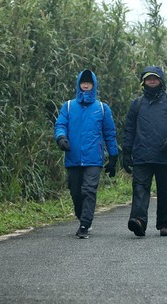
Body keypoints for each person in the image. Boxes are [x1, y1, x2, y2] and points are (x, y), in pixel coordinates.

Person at [122, 65, 167, 237]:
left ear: (161, 80)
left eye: (155, 78)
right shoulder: (137, 104)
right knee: (140, 188)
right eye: (149, 78)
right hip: (142, 155)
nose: (152, 81)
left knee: (165, 191)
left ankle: (165, 224)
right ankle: (138, 221)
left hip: (165, 155)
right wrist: (126, 152)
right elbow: (129, 129)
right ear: (143, 82)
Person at [54, 69, 119, 238]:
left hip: (93, 158)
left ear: (93, 85)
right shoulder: (68, 106)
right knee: (75, 192)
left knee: (89, 190)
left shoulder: (102, 108)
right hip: (73, 156)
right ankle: (81, 216)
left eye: (89, 82)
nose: (86, 85)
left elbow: (109, 134)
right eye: (83, 82)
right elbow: (60, 125)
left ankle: (84, 225)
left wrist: (113, 156)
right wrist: (61, 138)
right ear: (79, 84)